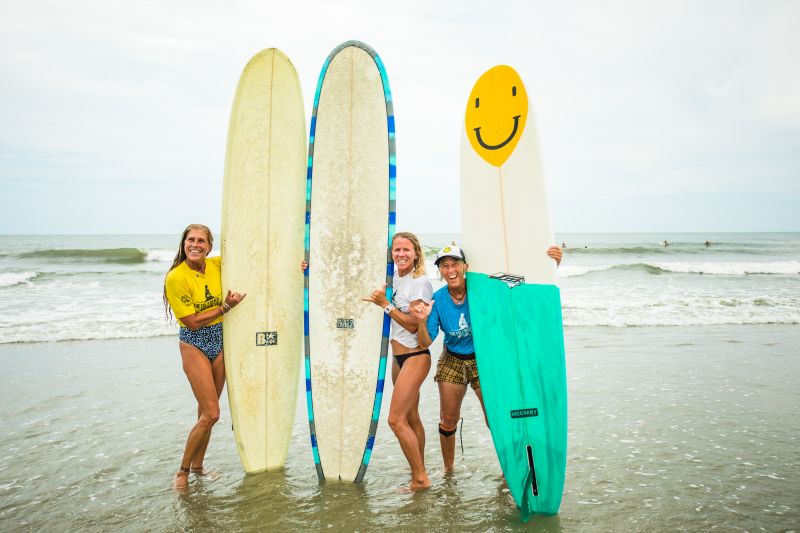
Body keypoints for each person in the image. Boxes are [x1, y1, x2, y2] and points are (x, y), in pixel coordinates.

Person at [410, 243, 562, 473]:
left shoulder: (484, 291)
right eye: (444, 266)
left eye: (455, 264)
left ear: (465, 266)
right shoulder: (437, 300)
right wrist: (421, 320)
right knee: (448, 419)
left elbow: (521, 288)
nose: (450, 270)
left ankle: (511, 468)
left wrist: (550, 265)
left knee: (496, 416)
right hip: (452, 359)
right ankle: (448, 471)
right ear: (440, 271)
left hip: (485, 359)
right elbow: (424, 343)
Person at [163, 224, 246, 491]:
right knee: (212, 414)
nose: (195, 244)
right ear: (183, 243)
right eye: (191, 240)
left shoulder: (216, 265)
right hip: (195, 343)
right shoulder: (176, 277)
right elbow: (192, 322)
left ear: (210, 246)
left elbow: (254, 260)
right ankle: (182, 471)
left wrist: (298, 265)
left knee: (204, 413)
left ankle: (198, 467)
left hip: (219, 341)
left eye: (201, 241)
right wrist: (225, 307)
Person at [362, 232, 434, 490]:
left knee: (396, 420)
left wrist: (385, 305)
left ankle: (420, 479)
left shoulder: (419, 282)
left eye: (406, 250)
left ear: (416, 253)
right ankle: (419, 469)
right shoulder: (395, 280)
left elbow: (415, 326)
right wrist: (309, 267)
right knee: (412, 418)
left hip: (415, 356)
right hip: (398, 358)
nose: (401, 254)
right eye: (396, 250)